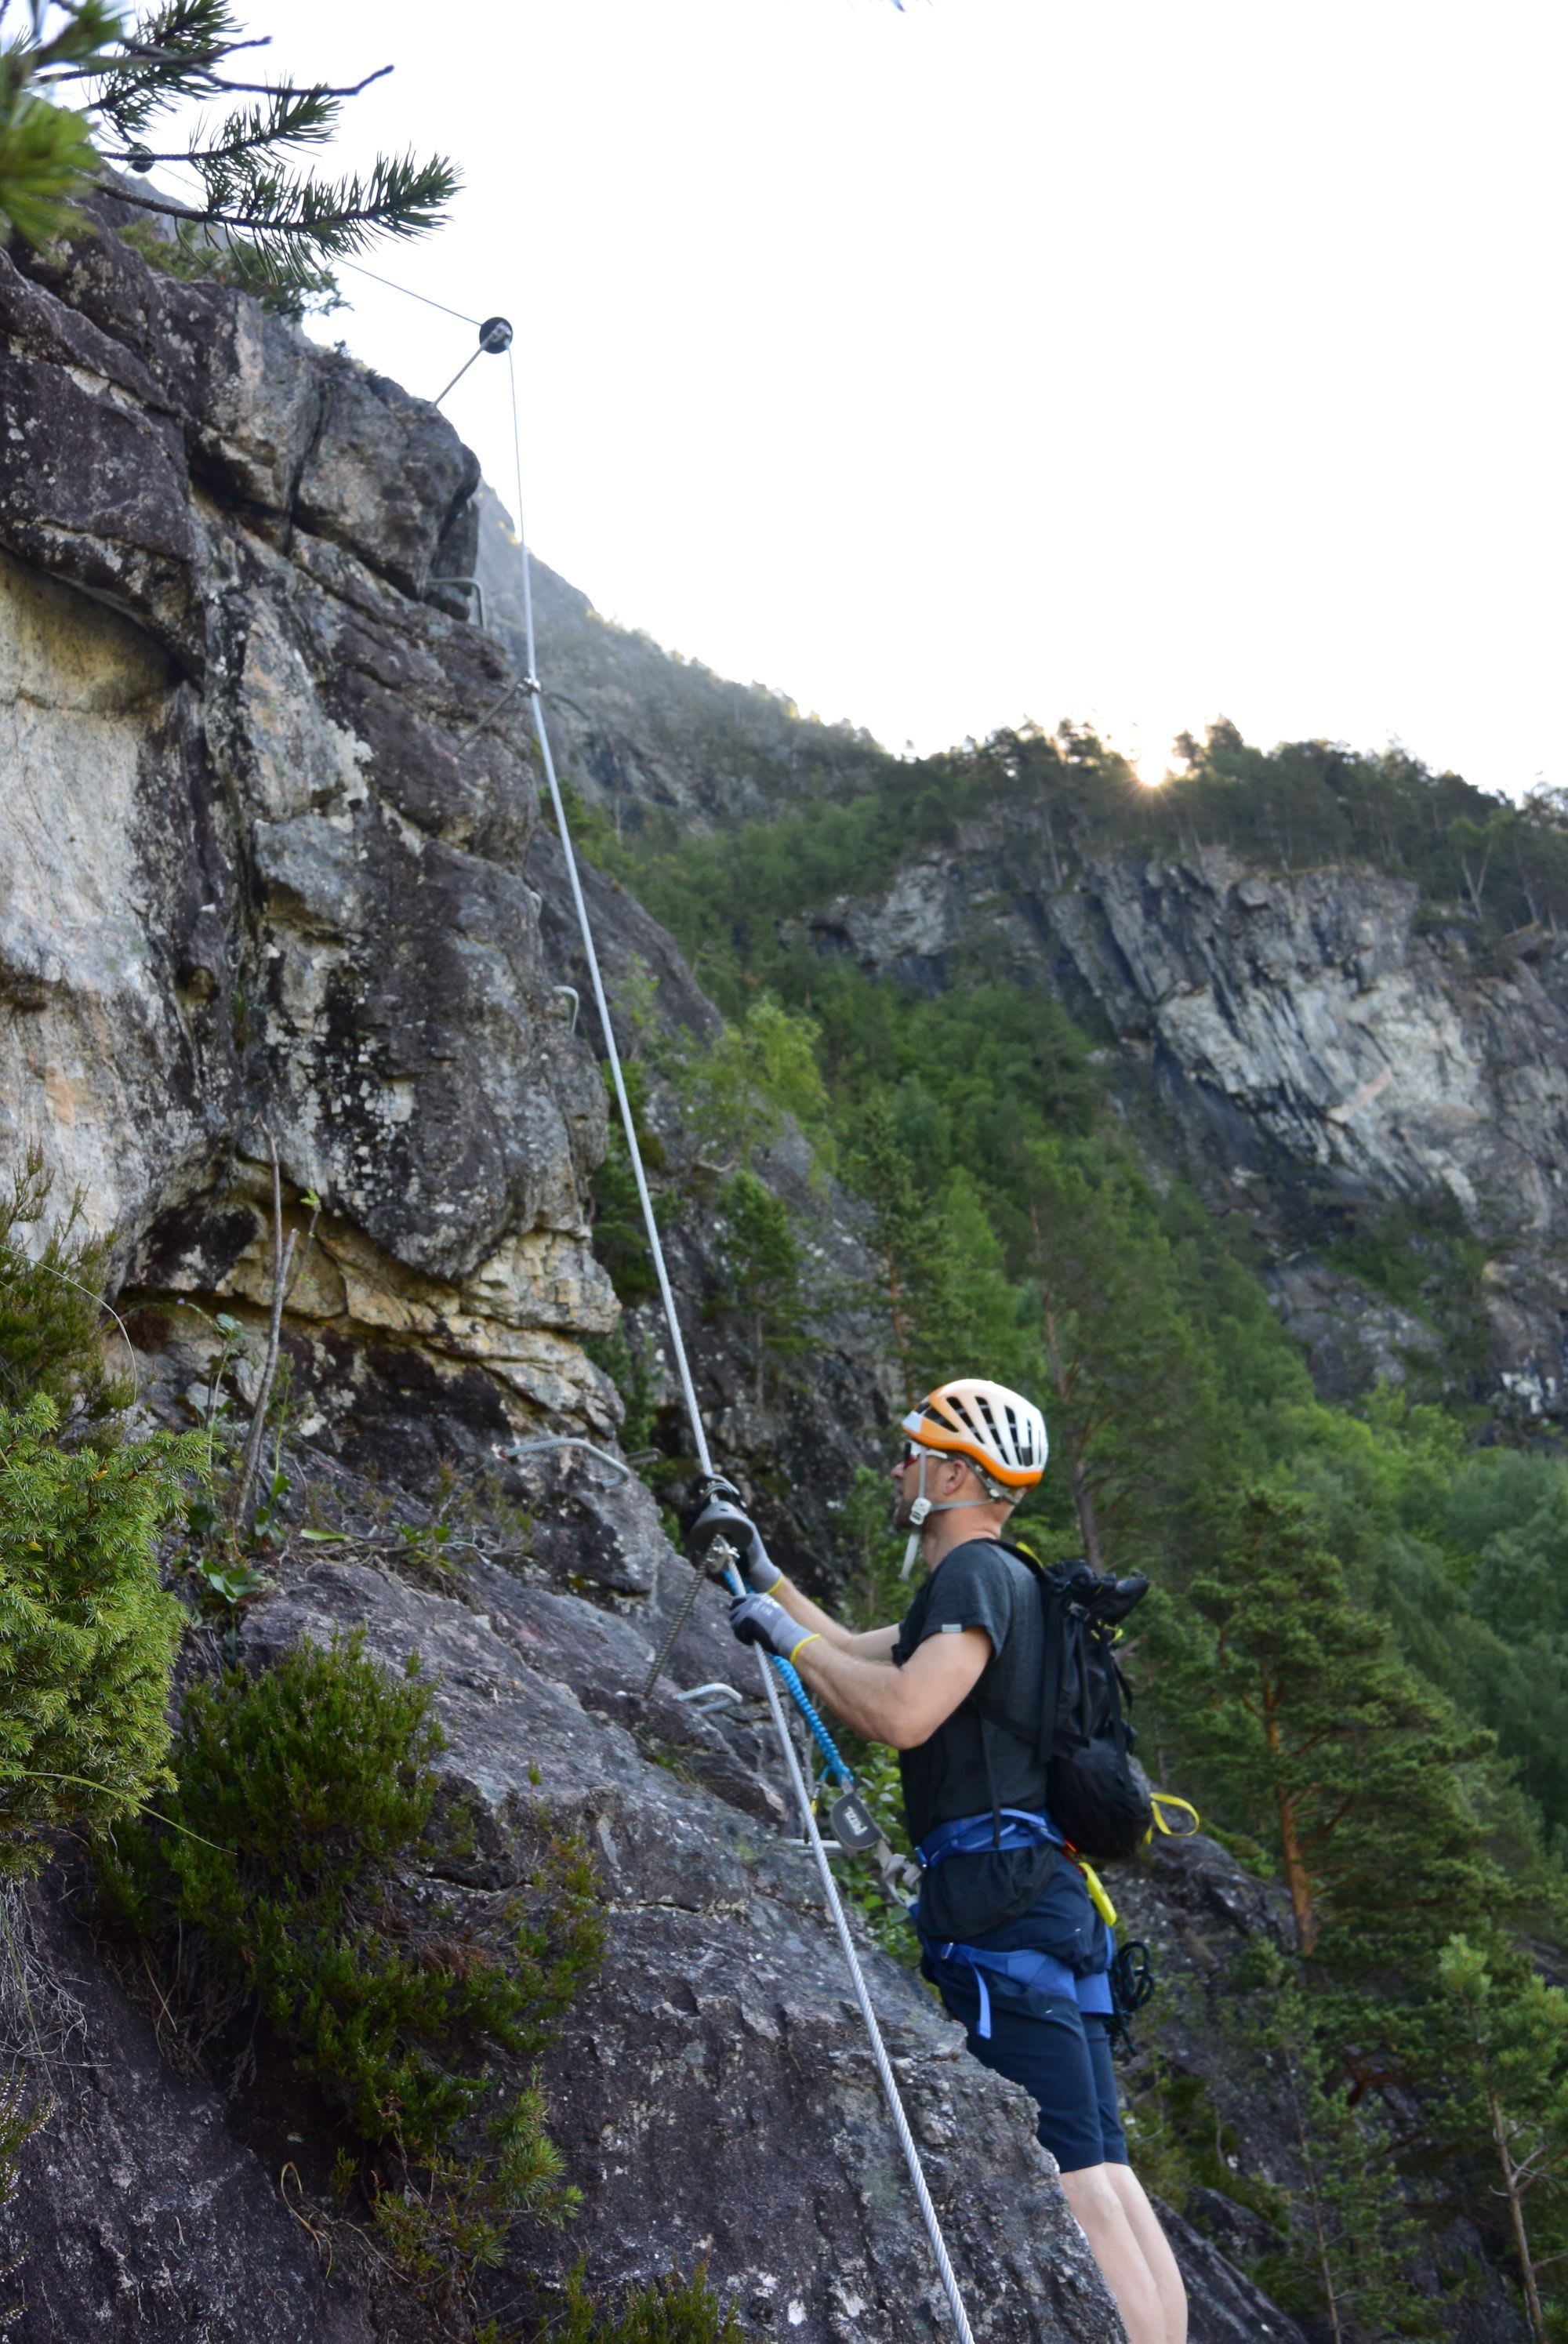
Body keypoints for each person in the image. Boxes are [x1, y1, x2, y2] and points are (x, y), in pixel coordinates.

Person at [699, 1376, 1187, 2344]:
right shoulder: (1011, 1585)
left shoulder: (972, 1578)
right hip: (1046, 1904)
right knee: (1109, 2170)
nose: (897, 1463)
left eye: (912, 1448)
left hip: (1001, 1907)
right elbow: (854, 1647)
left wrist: (782, 1638)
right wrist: (763, 1574)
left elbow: (900, 1709)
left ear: (954, 1470)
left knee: (1080, 2182)